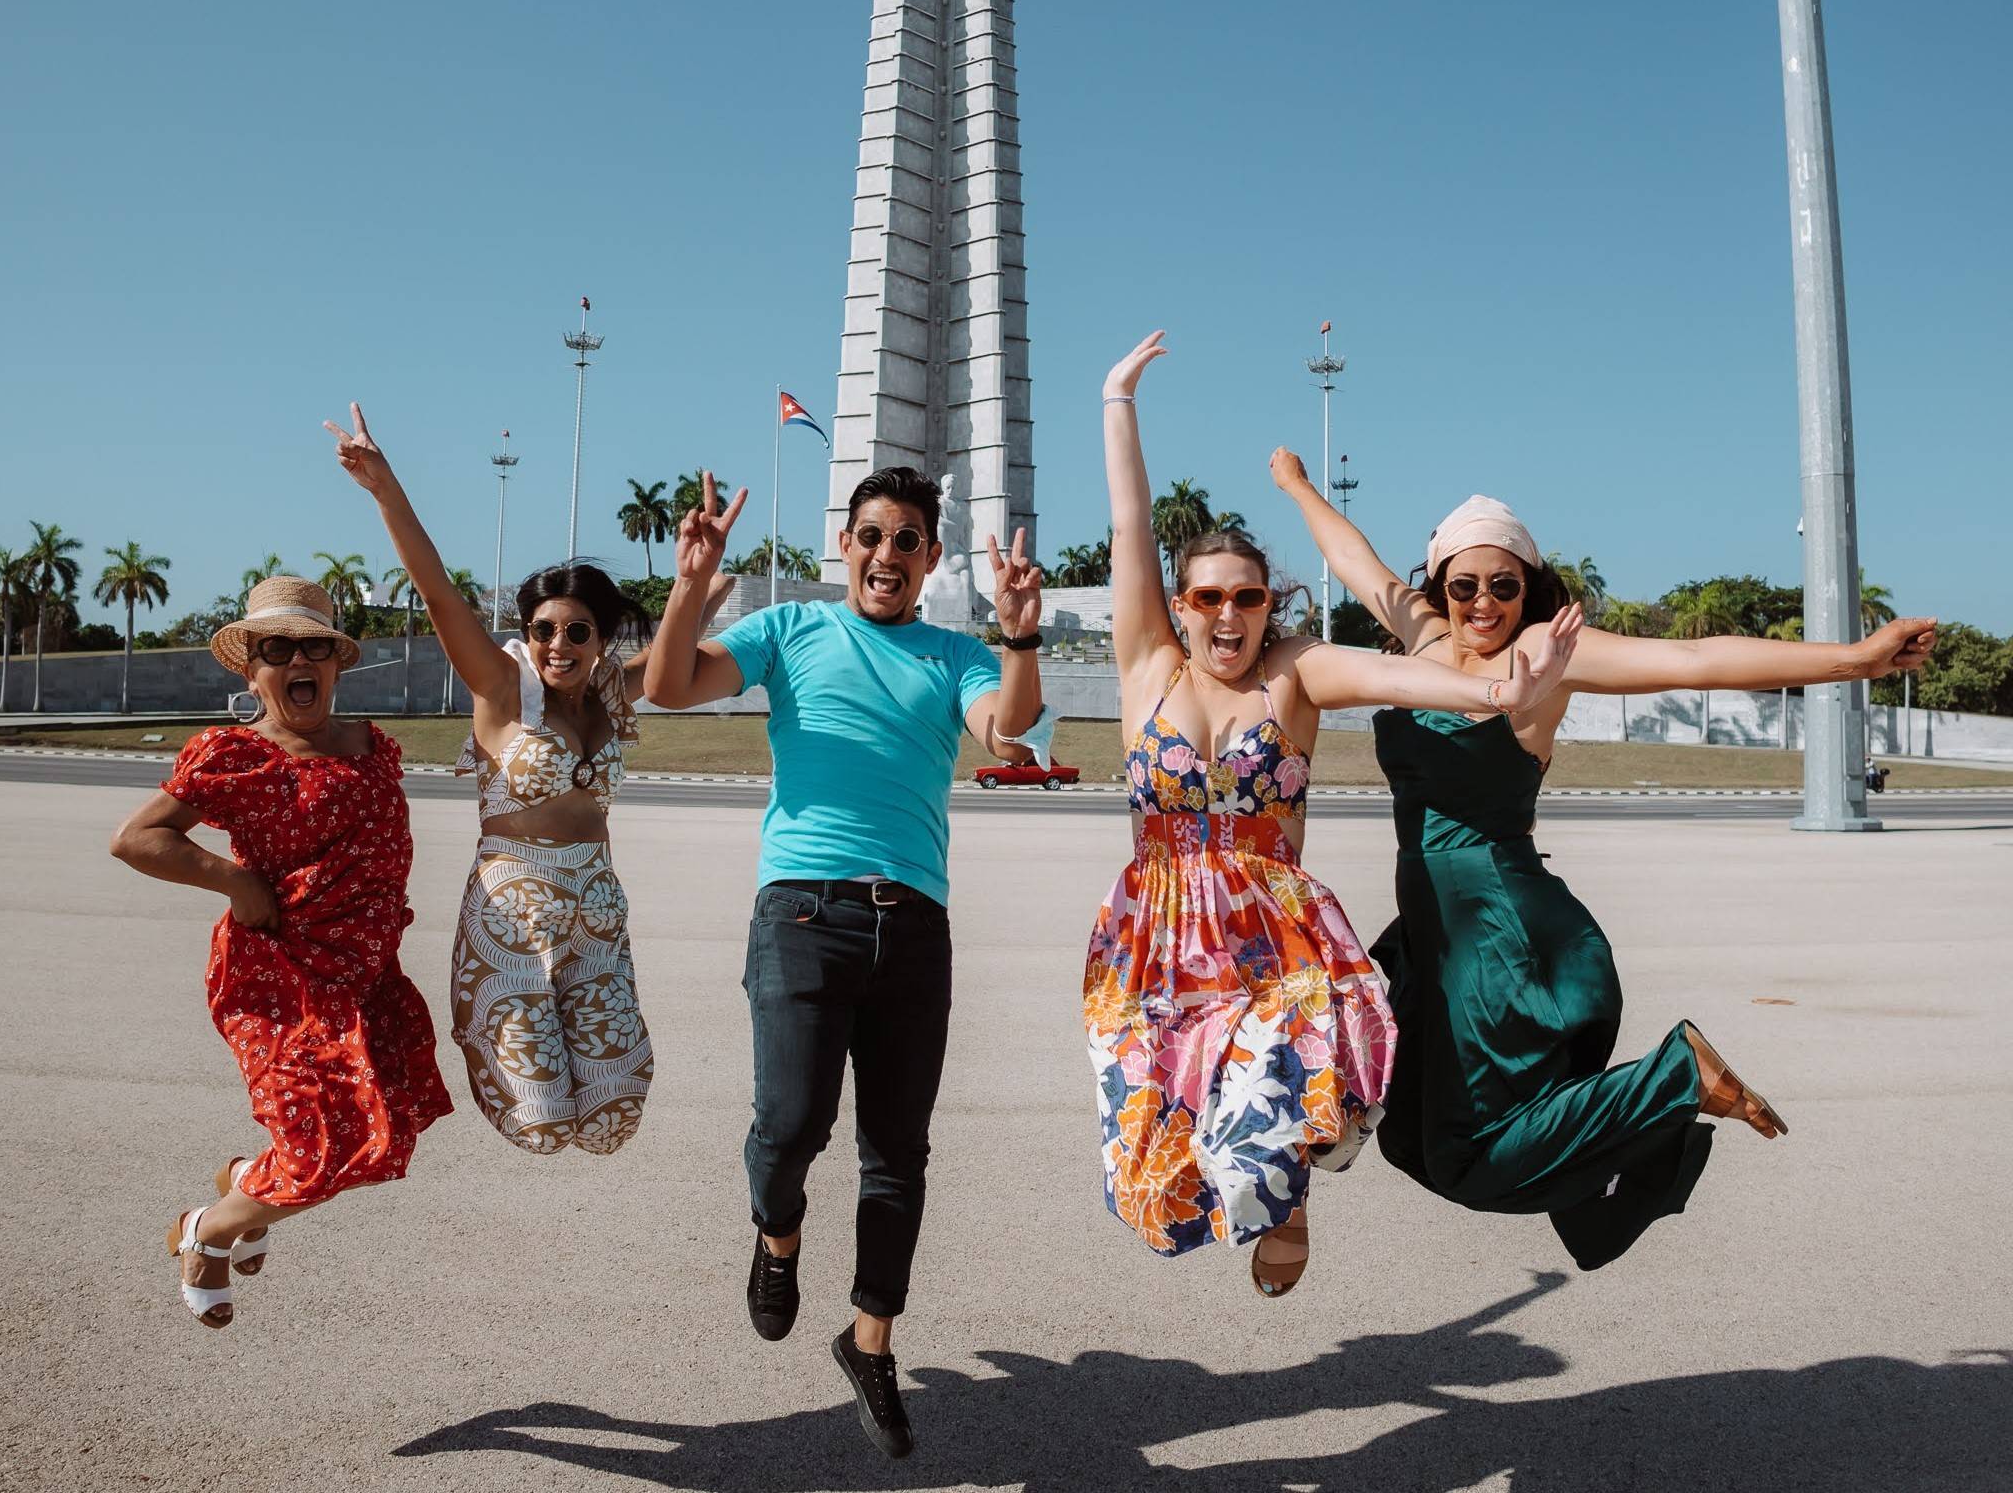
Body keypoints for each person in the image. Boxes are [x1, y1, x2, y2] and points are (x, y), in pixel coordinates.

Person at [1276, 452, 1936, 1269]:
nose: (1484, 602)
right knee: (1411, 1143)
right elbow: (1355, 561)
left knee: (1464, 1155)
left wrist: (1856, 660)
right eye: (1464, 584)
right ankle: (1660, 1092)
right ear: (1441, 585)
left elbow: (1698, 662)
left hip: (1497, 929)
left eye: (1504, 585)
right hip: (1435, 930)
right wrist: (1299, 487)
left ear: (1531, 585)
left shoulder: (1553, 657)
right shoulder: (1423, 640)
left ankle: (1675, 1078)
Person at [1092, 334, 1582, 1299]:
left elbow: (1412, 677)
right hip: (1156, 934)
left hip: (1272, 929)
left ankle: (1293, 1194)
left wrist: (1504, 694)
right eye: (1208, 597)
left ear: (1270, 602)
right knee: (1154, 1173)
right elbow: (1126, 525)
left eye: (1249, 597)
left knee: (1275, 1100)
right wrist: (1119, 404)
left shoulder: (1298, 671)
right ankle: (1265, 1182)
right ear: (1181, 606)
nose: (1228, 615)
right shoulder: (1146, 665)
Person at [644, 465, 1046, 1460]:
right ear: (847, 545)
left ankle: (871, 1342)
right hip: (803, 911)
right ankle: (777, 1238)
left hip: (913, 922)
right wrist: (693, 581)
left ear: (929, 559)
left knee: (896, 1150)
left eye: (908, 539)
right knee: (790, 1126)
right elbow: (667, 687)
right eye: (873, 535)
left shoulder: (955, 655)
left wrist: (1020, 632)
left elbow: (1012, 725)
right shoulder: (790, 632)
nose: (887, 555)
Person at [327, 403, 721, 1156]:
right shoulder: (503, 693)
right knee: (538, 1124)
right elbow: (440, 594)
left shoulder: (613, 692)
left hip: (597, 913)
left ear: (601, 638)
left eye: (577, 630)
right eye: (542, 629)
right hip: (514, 919)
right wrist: (387, 490)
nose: (557, 643)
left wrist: (692, 582)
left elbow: (677, 650)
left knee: (611, 1124)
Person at [110, 576, 452, 1327]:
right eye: (277, 648)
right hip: (281, 978)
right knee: (320, 1149)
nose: (299, 659)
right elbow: (137, 839)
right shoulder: (236, 754)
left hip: (364, 976)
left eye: (315, 646)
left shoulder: (372, 746)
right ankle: (206, 1230)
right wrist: (232, 880)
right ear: (251, 670)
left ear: (335, 662)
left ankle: (243, 1182)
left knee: (379, 1144)